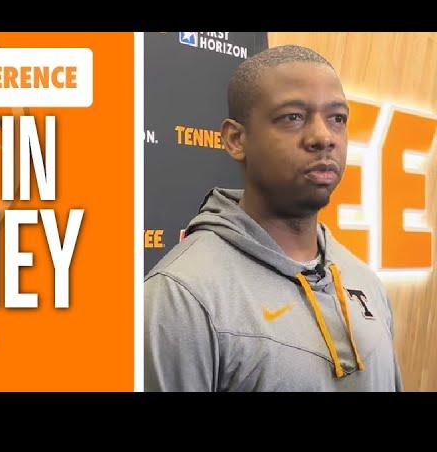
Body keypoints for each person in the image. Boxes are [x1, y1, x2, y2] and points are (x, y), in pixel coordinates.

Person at [144, 45, 403, 392]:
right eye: (293, 117)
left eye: (337, 118)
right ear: (236, 139)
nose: (323, 137)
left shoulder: (362, 279)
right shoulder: (181, 299)